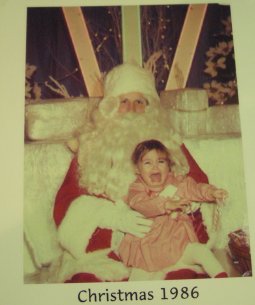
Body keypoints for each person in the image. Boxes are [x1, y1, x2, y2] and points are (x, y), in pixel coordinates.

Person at [52, 63, 213, 283]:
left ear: (150, 108)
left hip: (166, 246)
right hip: (103, 253)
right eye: (123, 102)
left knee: (183, 282)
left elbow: (200, 184)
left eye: (139, 101)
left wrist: (180, 200)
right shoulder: (88, 148)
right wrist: (112, 218)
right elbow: (65, 203)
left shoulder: (169, 143)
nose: (131, 110)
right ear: (109, 107)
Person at [118, 139, 228, 278]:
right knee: (139, 277)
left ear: (169, 165)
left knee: (202, 252)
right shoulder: (137, 187)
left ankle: (224, 282)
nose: (155, 168)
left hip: (179, 245)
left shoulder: (177, 182)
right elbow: (139, 203)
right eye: (147, 163)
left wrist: (211, 192)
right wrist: (165, 204)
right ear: (137, 169)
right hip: (149, 250)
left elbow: (195, 188)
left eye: (161, 162)